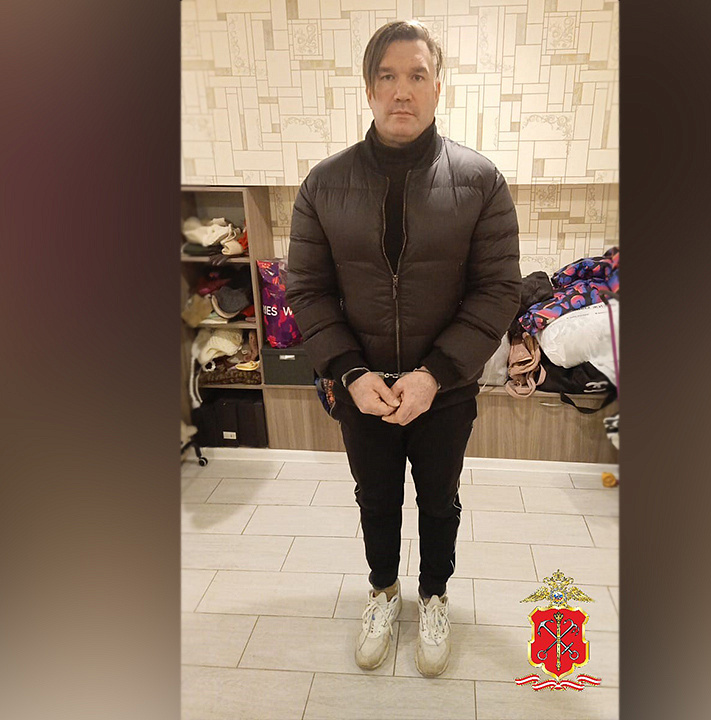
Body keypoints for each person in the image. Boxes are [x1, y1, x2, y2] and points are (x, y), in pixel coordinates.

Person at [285, 20, 521, 677]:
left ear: (438, 87)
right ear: (369, 89)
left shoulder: (480, 181)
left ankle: (435, 595)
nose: (401, 90)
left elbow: (497, 289)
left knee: (439, 500)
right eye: (387, 76)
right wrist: (349, 372)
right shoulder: (323, 184)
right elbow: (306, 290)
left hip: (445, 389)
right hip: (361, 389)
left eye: (417, 75)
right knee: (376, 498)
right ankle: (384, 592)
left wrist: (435, 374)